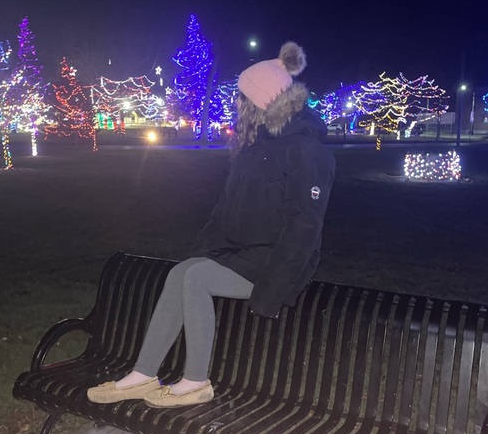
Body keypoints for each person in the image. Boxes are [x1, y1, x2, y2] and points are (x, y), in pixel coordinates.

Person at [87, 41, 336, 408]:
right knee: (183, 272)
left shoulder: (306, 150)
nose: (236, 102)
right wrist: (201, 253)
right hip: (244, 253)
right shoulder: (255, 146)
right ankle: (143, 374)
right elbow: (225, 211)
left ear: (261, 101)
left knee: (197, 278)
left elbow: (304, 228)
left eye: (241, 97)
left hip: (276, 263)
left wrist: (272, 290)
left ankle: (196, 381)